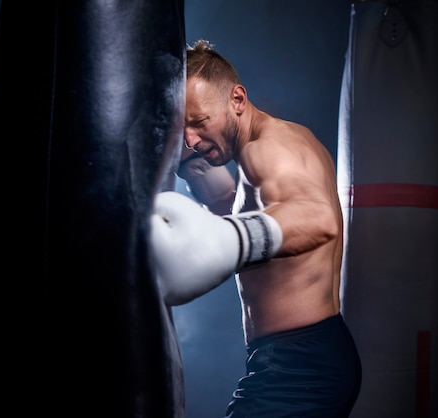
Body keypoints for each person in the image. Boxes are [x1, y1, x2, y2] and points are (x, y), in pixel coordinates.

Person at [149, 39, 362, 417]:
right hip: (306, 354)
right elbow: (258, 211)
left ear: (237, 99)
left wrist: (227, 240)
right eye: (183, 130)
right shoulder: (274, 144)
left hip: (298, 363)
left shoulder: (269, 150)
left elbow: (317, 218)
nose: (191, 140)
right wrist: (197, 172)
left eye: (199, 123)